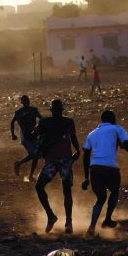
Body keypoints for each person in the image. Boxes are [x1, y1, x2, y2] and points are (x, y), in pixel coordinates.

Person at [81, 110, 128, 236]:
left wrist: (86, 177)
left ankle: (92, 227)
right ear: (113, 119)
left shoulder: (92, 134)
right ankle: (107, 219)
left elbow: (86, 155)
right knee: (114, 192)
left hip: (95, 168)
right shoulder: (117, 129)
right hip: (110, 168)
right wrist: (124, 144)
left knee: (101, 197)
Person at [33, 99, 80, 234]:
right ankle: (65, 221)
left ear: (52, 111)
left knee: (41, 186)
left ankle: (55, 217)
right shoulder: (67, 122)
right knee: (65, 190)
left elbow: (34, 134)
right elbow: (73, 138)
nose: (57, 112)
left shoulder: (46, 122)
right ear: (58, 110)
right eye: (57, 110)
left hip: (55, 161)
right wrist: (77, 150)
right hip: (63, 160)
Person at [11, 95, 43, 182]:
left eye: (27, 100)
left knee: (35, 156)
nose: (26, 102)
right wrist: (13, 134)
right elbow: (12, 122)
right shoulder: (19, 112)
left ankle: (30, 176)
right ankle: (19, 163)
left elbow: (42, 119)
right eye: (24, 101)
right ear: (22, 102)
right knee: (34, 154)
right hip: (25, 136)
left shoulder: (33, 110)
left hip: (34, 135)